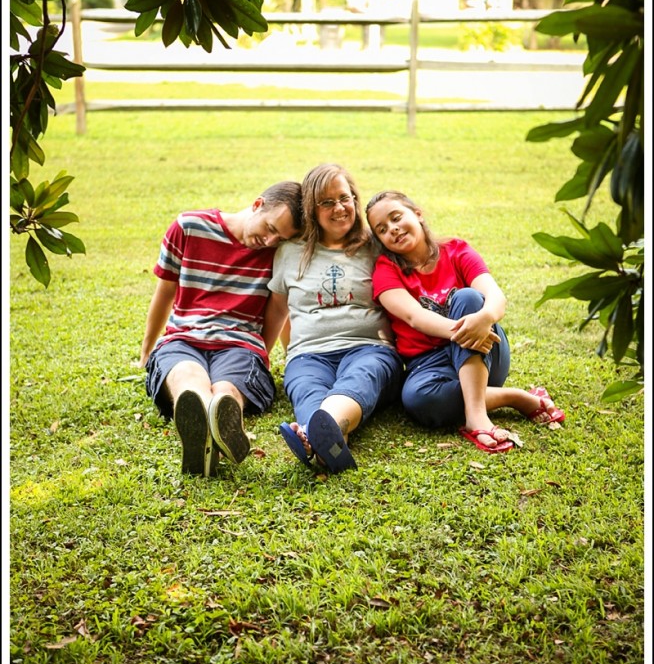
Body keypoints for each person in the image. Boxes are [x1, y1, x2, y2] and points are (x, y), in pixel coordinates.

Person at [366, 190, 565, 453]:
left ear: (417, 214)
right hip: (430, 364)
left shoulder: (456, 250)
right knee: (417, 401)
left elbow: (495, 296)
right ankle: (516, 397)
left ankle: (476, 417)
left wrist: (484, 318)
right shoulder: (386, 270)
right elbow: (414, 317)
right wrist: (464, 331)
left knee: (469, 298)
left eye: (396, 217)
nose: (393, 229)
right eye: (382, 229)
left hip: (485, 350)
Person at [140, 182, 303, 476]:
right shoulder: (189, 227)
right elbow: (164, 292)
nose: (269, 241)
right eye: (269, 227)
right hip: (183, 338)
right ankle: (200, 420)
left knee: (228, 388)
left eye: (280, 238)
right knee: (188, 376)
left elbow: (279, 309)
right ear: (257, 204)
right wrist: (147, 349)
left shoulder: (280, 253)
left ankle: (222, 418)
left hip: (239, 343)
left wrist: (261, 354)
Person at [264, 164, 404, 474]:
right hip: (309, 353)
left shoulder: (375, 246)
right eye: (326, 202)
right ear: (311, 210)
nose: (339, 208)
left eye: (345, 198)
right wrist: (274, 354)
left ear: (355, 200)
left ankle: (321, 431)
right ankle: (328, 438)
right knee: (304, 385)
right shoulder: (290, 252)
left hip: (369, 348)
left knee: (362, 377)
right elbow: (278, 309)